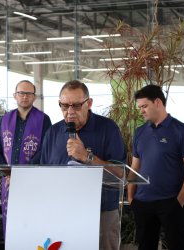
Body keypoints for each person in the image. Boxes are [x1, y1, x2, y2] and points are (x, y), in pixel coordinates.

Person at [40, 80, 126, 250]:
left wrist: (87, 157)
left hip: (102, 212)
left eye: (77, 106)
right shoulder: (53, 133)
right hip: (62, 212)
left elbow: (120, 174)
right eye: (64, 106)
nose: (70, 112)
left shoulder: (108, 129)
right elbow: (44, 174)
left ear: (89, 103)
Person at [127, 84, 184, 250]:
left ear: (158, 102)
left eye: (145, 106)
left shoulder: (182, 130)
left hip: (171, 202)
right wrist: (131, 199)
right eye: (140, 107)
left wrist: (178, 202)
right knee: (145, 246)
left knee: (177, 245)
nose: (141, 111)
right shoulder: (139, 132)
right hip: (143, 203)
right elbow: (134, 167)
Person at [0, 80, 52, 236]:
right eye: (21, 93)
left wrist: (22, 173)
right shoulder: (4, 120)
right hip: (8, 180)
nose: (24, 97)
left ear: (34, 97)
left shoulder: (44, 120)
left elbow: (45, 150)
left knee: (31, 221)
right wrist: (6, 172)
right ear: (15, 95)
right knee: (11, 222)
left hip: (33, 180)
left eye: (29, 93)